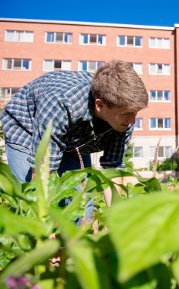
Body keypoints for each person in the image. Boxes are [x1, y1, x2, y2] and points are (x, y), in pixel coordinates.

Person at [2, 60, 149, 209]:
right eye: (127, 114)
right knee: (31, 201)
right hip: (27, 130)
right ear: (99, 105)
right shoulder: (62, 101)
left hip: (74, 142)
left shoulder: (124, 120)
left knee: (81, 206)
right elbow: (42, 171)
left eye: (135, 113)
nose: (133, 121)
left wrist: (120, 217)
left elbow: (113, 169)